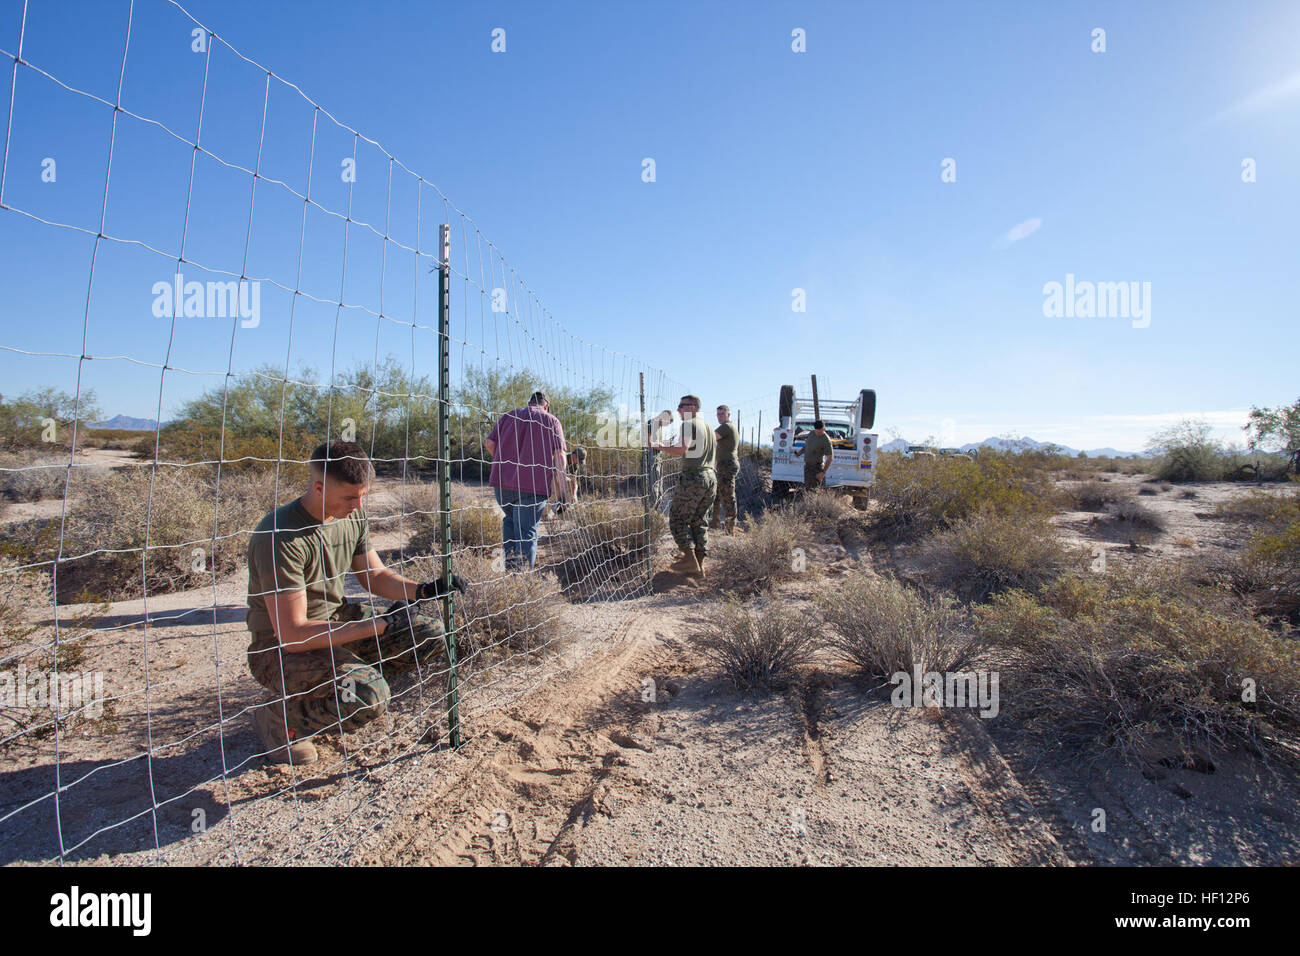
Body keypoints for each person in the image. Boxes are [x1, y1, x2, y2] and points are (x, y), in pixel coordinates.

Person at [245, 441, 464, 765]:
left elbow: (374, 575)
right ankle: (280, 718)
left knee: (431, 633)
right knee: (369, 696)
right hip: (278, 648)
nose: (358, 505)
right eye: (350, 497)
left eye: (364, 496)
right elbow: (292, 634)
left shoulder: (350, 515)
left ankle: (333, 688)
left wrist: (422, 590)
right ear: (318, 488)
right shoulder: (280, 535)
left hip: (335, 620)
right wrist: (379, 625)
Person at [485, 390, 567, 570]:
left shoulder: (509, 416)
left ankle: (511, 576)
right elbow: (559, 456)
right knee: (526, 533)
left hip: (502, 485)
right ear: (546, 406)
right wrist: (563, 493)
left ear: (529, 403)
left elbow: (489, 444)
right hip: (533, 487)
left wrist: (503, 463)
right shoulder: (551, 421)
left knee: (510, 523)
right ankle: (521, 582)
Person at [651, 394, 715, 576]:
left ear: (693, 407)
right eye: (678, 406)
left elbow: (681, 449)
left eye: (682, 406)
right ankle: (699, 566)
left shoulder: (688, 424)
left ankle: (689, 559)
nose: (678, 409)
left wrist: (659, 447)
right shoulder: (707, 426)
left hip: (694, 478)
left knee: (678, 519)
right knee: (699, 520)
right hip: (710, 477)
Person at [710, 404, 740, 534]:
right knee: (716, 494)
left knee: (727, 496)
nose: (719, 417)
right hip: (724, 464)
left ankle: (730, 527)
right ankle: (715, 521)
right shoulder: (727, 426)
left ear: (728, 415)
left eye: (722, 414)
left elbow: (711, 437)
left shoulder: (726, 426)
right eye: (717, 414)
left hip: (727, 465)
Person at [795, 419, 833, 493]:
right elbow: (807, 446)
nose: (818, 433)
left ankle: (815, 504)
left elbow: (830, 458)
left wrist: (823, 472)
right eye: (816, 431)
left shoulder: (826, 440)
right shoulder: (811, 434)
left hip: (817, 468)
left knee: (815, 490)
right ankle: (808, 503)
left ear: (824, 429)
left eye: (820, 431)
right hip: (808, 467)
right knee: (808, 489)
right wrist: (799, 453)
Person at [555, 446, 586, 516]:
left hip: (560, 479)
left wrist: (573, 496)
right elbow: (555, 477)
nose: (578, 463)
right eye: (579, 460)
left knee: (571, 485)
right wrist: (561, 495)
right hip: (549, 478)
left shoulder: (575, 465)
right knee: (556, 489)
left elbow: (573, 481)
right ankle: (546, 512)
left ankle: (564, 510)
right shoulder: (562, 458)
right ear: (574, 456)